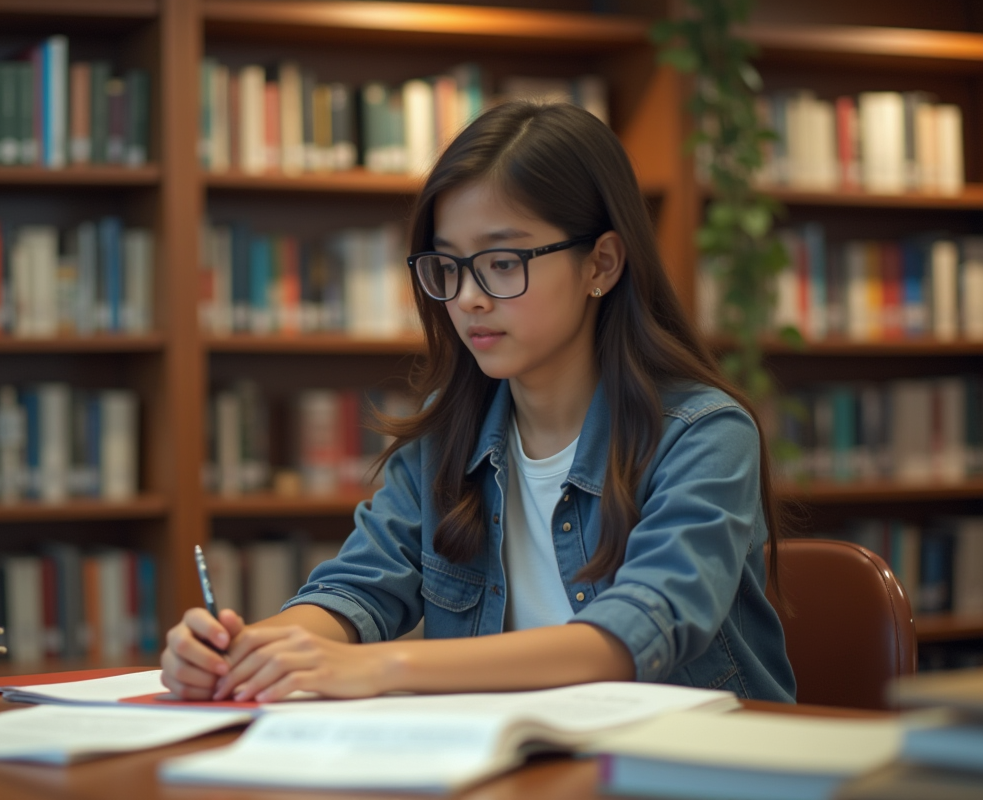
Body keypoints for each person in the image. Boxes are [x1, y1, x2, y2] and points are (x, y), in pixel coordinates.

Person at [162, 100, 796, 705]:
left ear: (601, 262)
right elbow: (356, 589)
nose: (467, 298)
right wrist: (248, 651)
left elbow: (638, 629)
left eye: (500, 262)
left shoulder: (704, 434)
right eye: (448, 266)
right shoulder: (449, 434)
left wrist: (380, 667)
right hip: (513, 762)